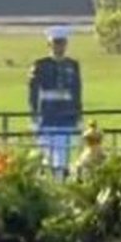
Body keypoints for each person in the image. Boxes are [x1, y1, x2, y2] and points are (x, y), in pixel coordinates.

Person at [29, 26, 82, 178]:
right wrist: (34, 115)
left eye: (62, 43)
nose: (59, 47)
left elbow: (77, 91)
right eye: (56, 43)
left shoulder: (72, 65)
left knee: (62, 154)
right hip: (47, 114)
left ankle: (60, 181)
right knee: (46, 153)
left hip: (66, 115)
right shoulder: (41, 64)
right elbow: (33, 92)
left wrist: (78, 114)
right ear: (49, 45)